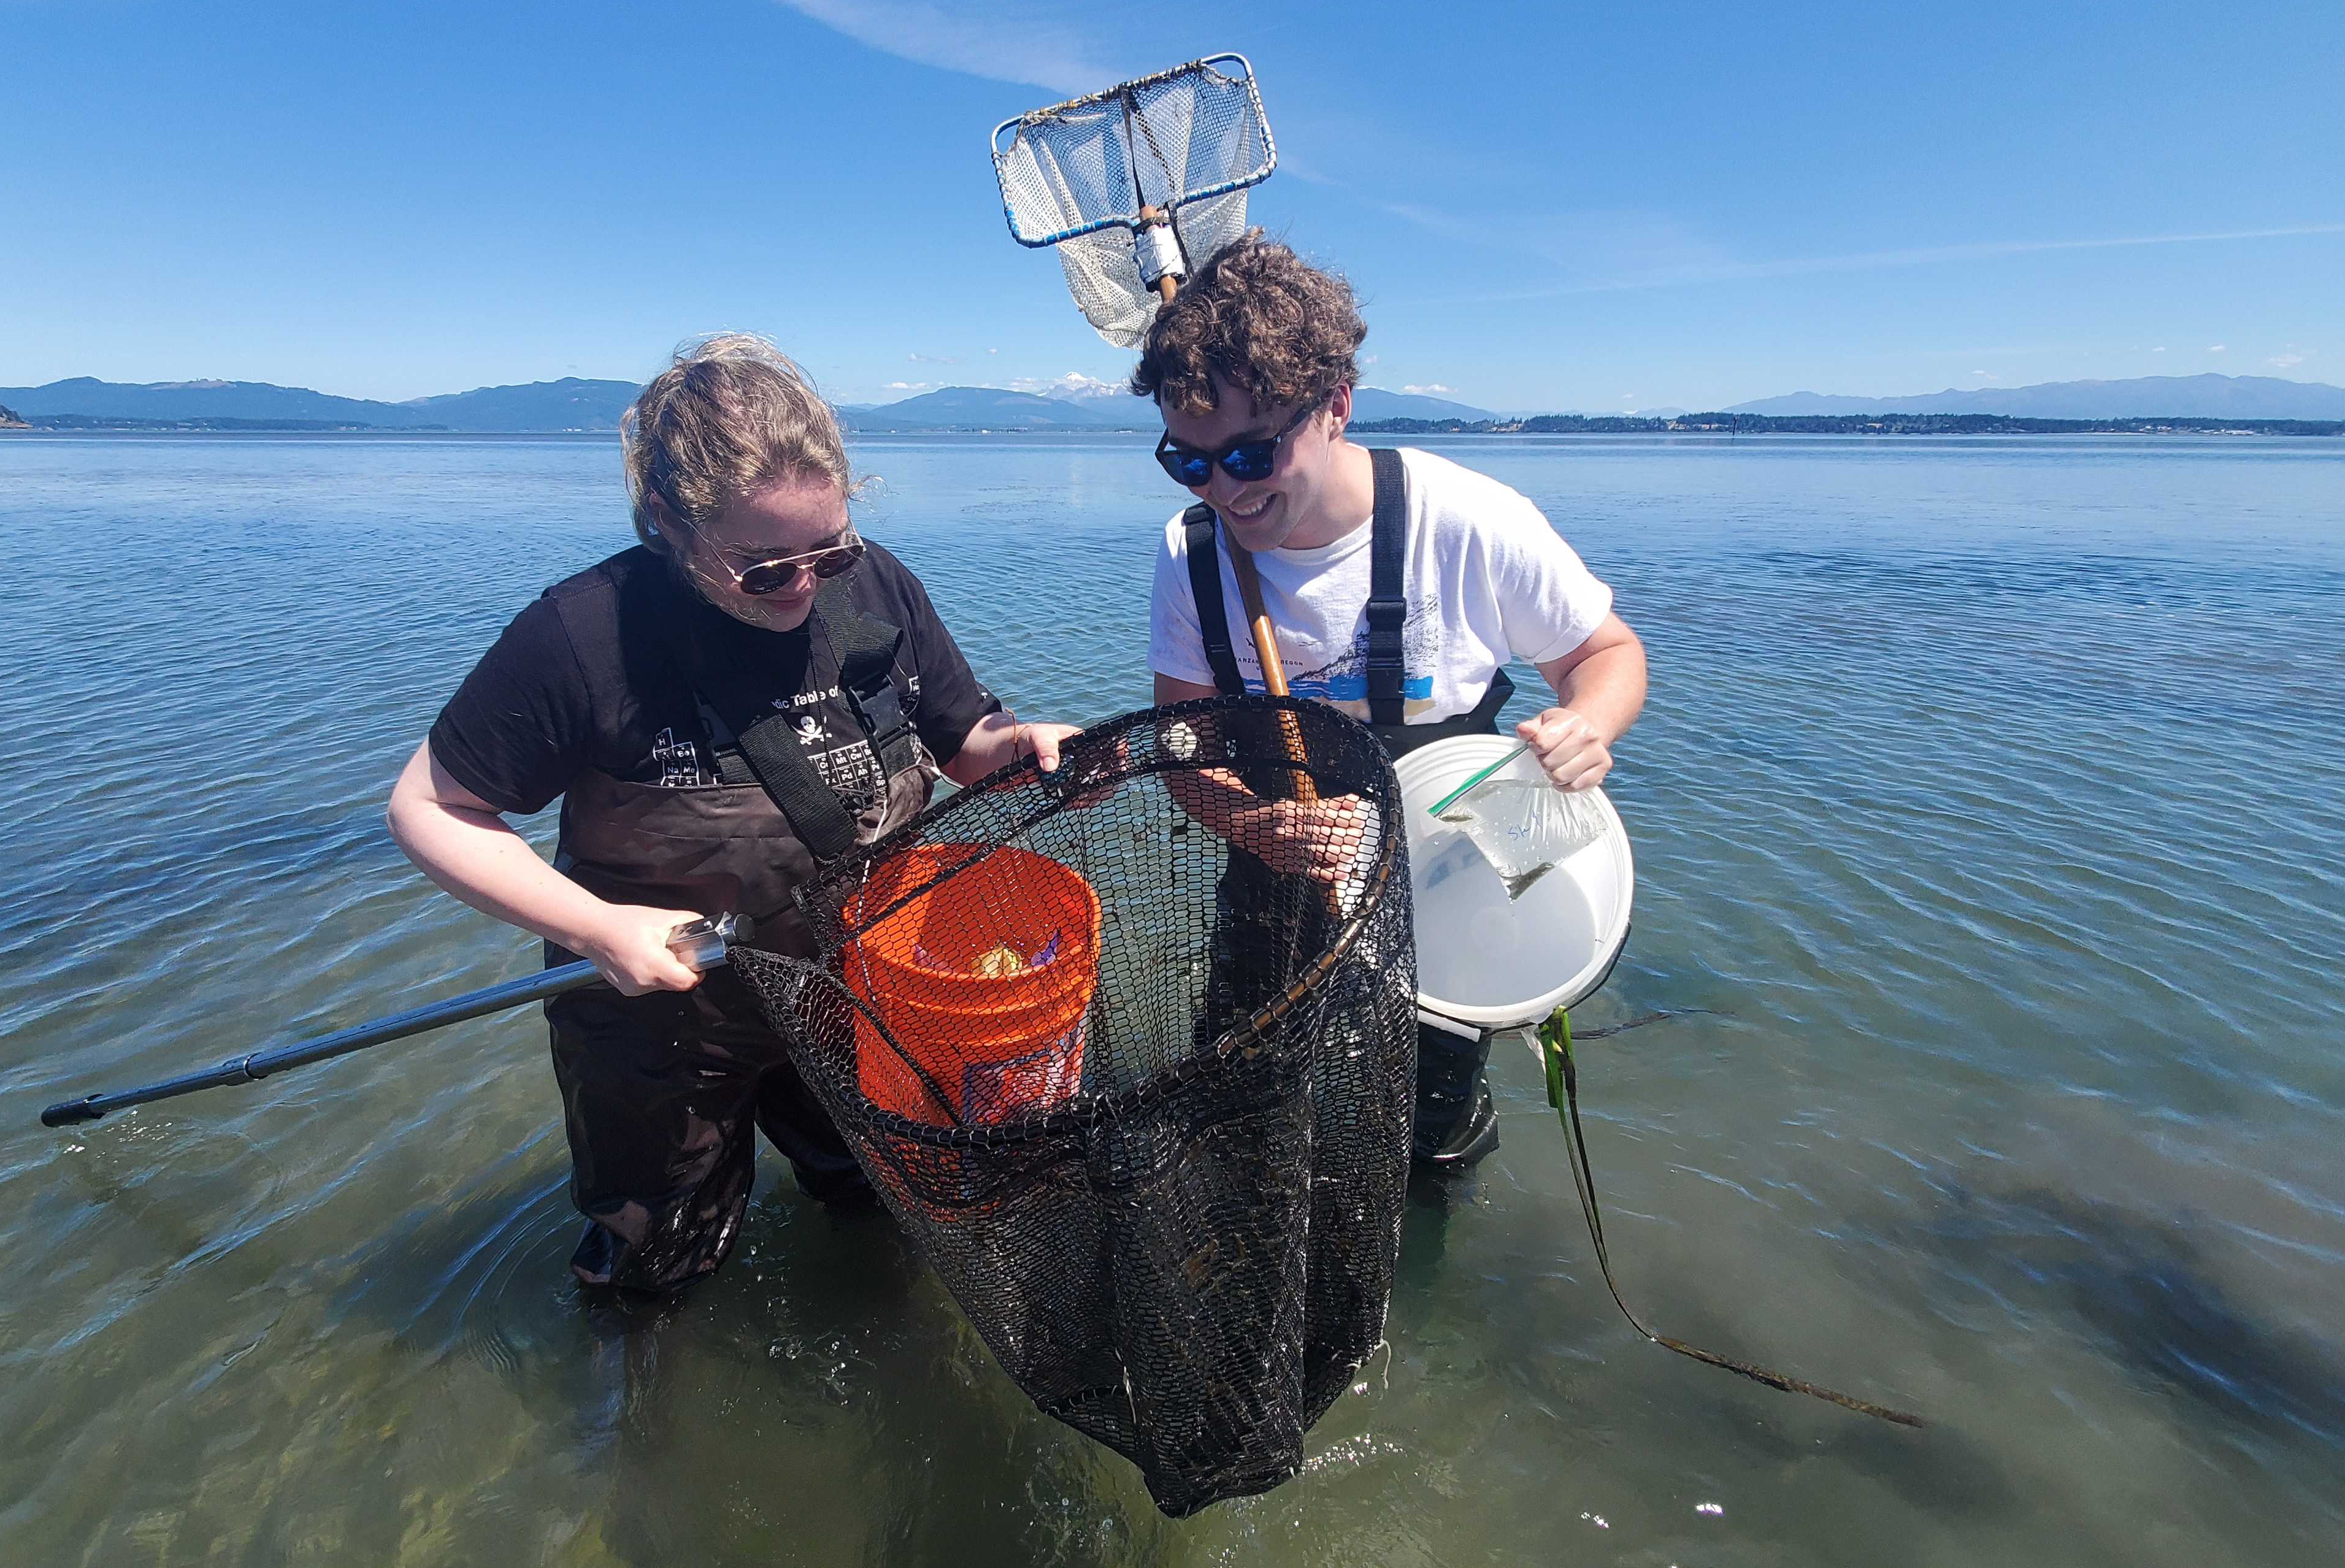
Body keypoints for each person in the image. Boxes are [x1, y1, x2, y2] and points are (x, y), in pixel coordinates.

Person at [388, 335, 1077, 1291]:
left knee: (872, 1209)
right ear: (669, 523)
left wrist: (1020, 744)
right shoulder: (582, 636)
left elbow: (965, 739)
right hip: (663, 1025)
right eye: (762, 569)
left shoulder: (875, 586)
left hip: (851, 996)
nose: (803, 585)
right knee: (659, 1268)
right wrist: (594, 926)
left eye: (827, 551)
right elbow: (429, 807)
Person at [1141, 236, 1647, 1171]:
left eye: (1254, 452)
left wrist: (1587, 724)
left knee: (1426, 1129)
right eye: (1192, 461)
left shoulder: (1470, 520)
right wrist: (1258, 823)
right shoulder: (1192, 551)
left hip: (1455, 878)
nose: (1229, 490)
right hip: (1276, 871)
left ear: (1335, 404)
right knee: (1238, 1105)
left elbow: (1608, 655)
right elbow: (1182, 754)